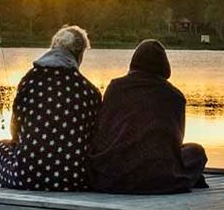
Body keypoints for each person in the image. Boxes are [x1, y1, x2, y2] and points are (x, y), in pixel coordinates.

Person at [88, 39, 209, 194]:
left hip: (113, 176)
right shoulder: (175, 96)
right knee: (196, 152)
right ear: (165, 68)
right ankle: (181, 178)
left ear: (133, 64)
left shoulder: (116, 88)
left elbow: (103, 133)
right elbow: (175, 143)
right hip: (158, 177)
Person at [0, 26, 102, 191]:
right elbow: (95, 138)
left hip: (28, 176)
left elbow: (16, 131)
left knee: (1, 148)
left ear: (53, 48)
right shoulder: (89, 91)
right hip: (74, 177)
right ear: (80, 55)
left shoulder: (30, 81)